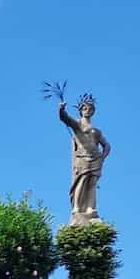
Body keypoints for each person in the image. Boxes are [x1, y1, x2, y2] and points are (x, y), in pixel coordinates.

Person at [58, 94, 110, 222]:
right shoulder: (78, 125)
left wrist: (102, 157)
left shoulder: (97, 131)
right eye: (86, 108)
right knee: (81, 181)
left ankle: (91, 208)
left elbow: (107, 146)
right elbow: (65, 119)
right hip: (82, 158)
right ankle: (77, 207)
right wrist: (61, 110)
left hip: (95, 158)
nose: (88, 111)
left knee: (92, 183)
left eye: (91, 109)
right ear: (81, 110)